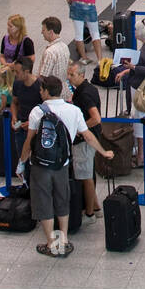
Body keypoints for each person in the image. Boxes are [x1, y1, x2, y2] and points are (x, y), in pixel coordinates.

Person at [17, 74, 112, 257]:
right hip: (62, 164)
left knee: (43, 201)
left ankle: (51, 243)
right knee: (62, 200)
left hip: (40, 165)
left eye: (41, 89)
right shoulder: (74, 110)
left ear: (45, 92)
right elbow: (88, 136)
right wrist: (103, 152)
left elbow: (29, 141)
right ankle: (65, 240)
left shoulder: (37, 112)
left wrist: (21, 163)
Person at [67, 60, 103, 217]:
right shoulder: (84, 89)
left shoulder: (85, 94)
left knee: (85, 177)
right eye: (68, 74)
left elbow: (96, 118)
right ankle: (95, 205)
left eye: (72, 75)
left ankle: (89, 213)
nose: (69, 77)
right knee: (87, 173)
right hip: (89, 139)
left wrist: (79, 129)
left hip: (86, 141)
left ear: (81, 75)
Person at [9, 58, 42, 170]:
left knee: (35, 160)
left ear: (27, 71)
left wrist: (31, 123)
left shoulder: (40, 86)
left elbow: (47, 110)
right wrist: (14, 117)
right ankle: (25, 182)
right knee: (22, 157)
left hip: (36, 130)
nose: (15, 75)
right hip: (21, 127)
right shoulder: (17, 84)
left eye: (17, 72)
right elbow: (14, 102)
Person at [35, 16, 71, 86]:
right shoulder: (65, 46)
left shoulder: (50, 52)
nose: (42, 32)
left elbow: (43, 76)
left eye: (44, 30)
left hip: (51, 91)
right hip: (62, 87)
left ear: (51, 32)